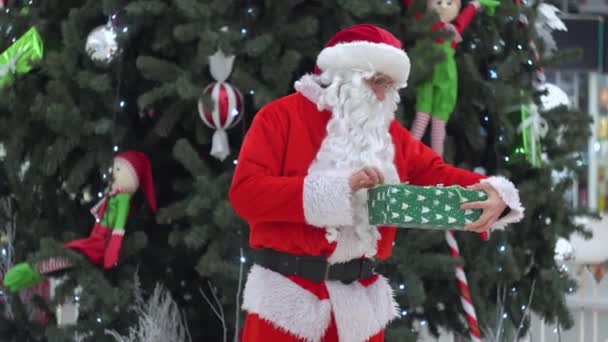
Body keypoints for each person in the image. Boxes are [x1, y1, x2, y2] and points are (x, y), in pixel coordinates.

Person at [229, 24, 524, 342]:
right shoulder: (279, 118)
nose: (383, 94)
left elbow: (437, 172)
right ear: (343, 75)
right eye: (375, 81)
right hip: (285, 309)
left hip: (359, 312)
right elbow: (246, 194)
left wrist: (494, 192)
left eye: (390, 85)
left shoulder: (390, 135)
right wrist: (337, 190)